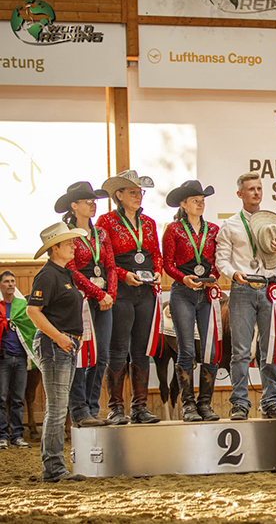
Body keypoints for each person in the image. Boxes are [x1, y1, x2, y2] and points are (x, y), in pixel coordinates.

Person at [217, 172, 276, 420]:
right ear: (240, 194)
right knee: (240, 350)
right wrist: (234, 274)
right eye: (251, 189)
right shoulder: (230, 225)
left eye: (259, 188)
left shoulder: (274, 224)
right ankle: (240, 403)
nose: (256, 193)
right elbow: (221, 261)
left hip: (269, 290)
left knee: (270, 349)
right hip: (242, 289)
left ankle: (272, 400)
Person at [97, 170, 161, 425]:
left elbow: (155, 252)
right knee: (118, 348)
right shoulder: (106, 221)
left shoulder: (149, 223)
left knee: (141, 349)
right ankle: (115, 407)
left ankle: (140, 407)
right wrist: (124, 275)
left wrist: (156, 271)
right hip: (121, 290)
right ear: (119, 195)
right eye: (133, 192)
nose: (138, 196)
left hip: (145, 290)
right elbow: (105, 257)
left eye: (140, 192)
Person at [26, 222, 88, 482]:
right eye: (69, 243)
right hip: (55, 345)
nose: (73, 246)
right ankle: (53, 469)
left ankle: (54, 467)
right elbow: (32, 311)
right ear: (55, 248)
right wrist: (60, 336)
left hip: (63, 344)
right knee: (56, 408)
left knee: (58, 407)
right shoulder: (49, 275)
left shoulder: (62, 273)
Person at [56, 182, 116, 428]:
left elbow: (110, 265)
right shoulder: (66, 233)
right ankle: (79, 408)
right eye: (87, 201)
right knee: (82, 355)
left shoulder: (100, 233)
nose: (93, 205)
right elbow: (71, 270)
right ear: (74, 205)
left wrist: (109, 293)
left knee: (101, 355)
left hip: (103, 298)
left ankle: (92, 406)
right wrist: (96, 294)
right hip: (80, 300)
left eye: (94, 201)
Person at [163, 180, 222, 422]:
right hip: (182, 293)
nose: (200, 203)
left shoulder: (214, 230)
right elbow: (167, 263)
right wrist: (183, 278)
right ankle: (188, 404)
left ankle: (205, 403)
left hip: (206, 293)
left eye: (202, 200)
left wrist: (213, 277)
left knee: (211, 350)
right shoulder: (174, 230)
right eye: (195, 200)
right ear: (184, 204)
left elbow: (219, 259)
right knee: (186, 349)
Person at [0, 271, 36, 450]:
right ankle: (2, 435)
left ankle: (17, 435)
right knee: (0, 398)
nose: (10, 284)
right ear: (1, 285)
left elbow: (30, 329)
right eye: (6, 281)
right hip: (3, 358)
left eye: (13, 281)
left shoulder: (22, 306)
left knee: (17, 398)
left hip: (20, 357)